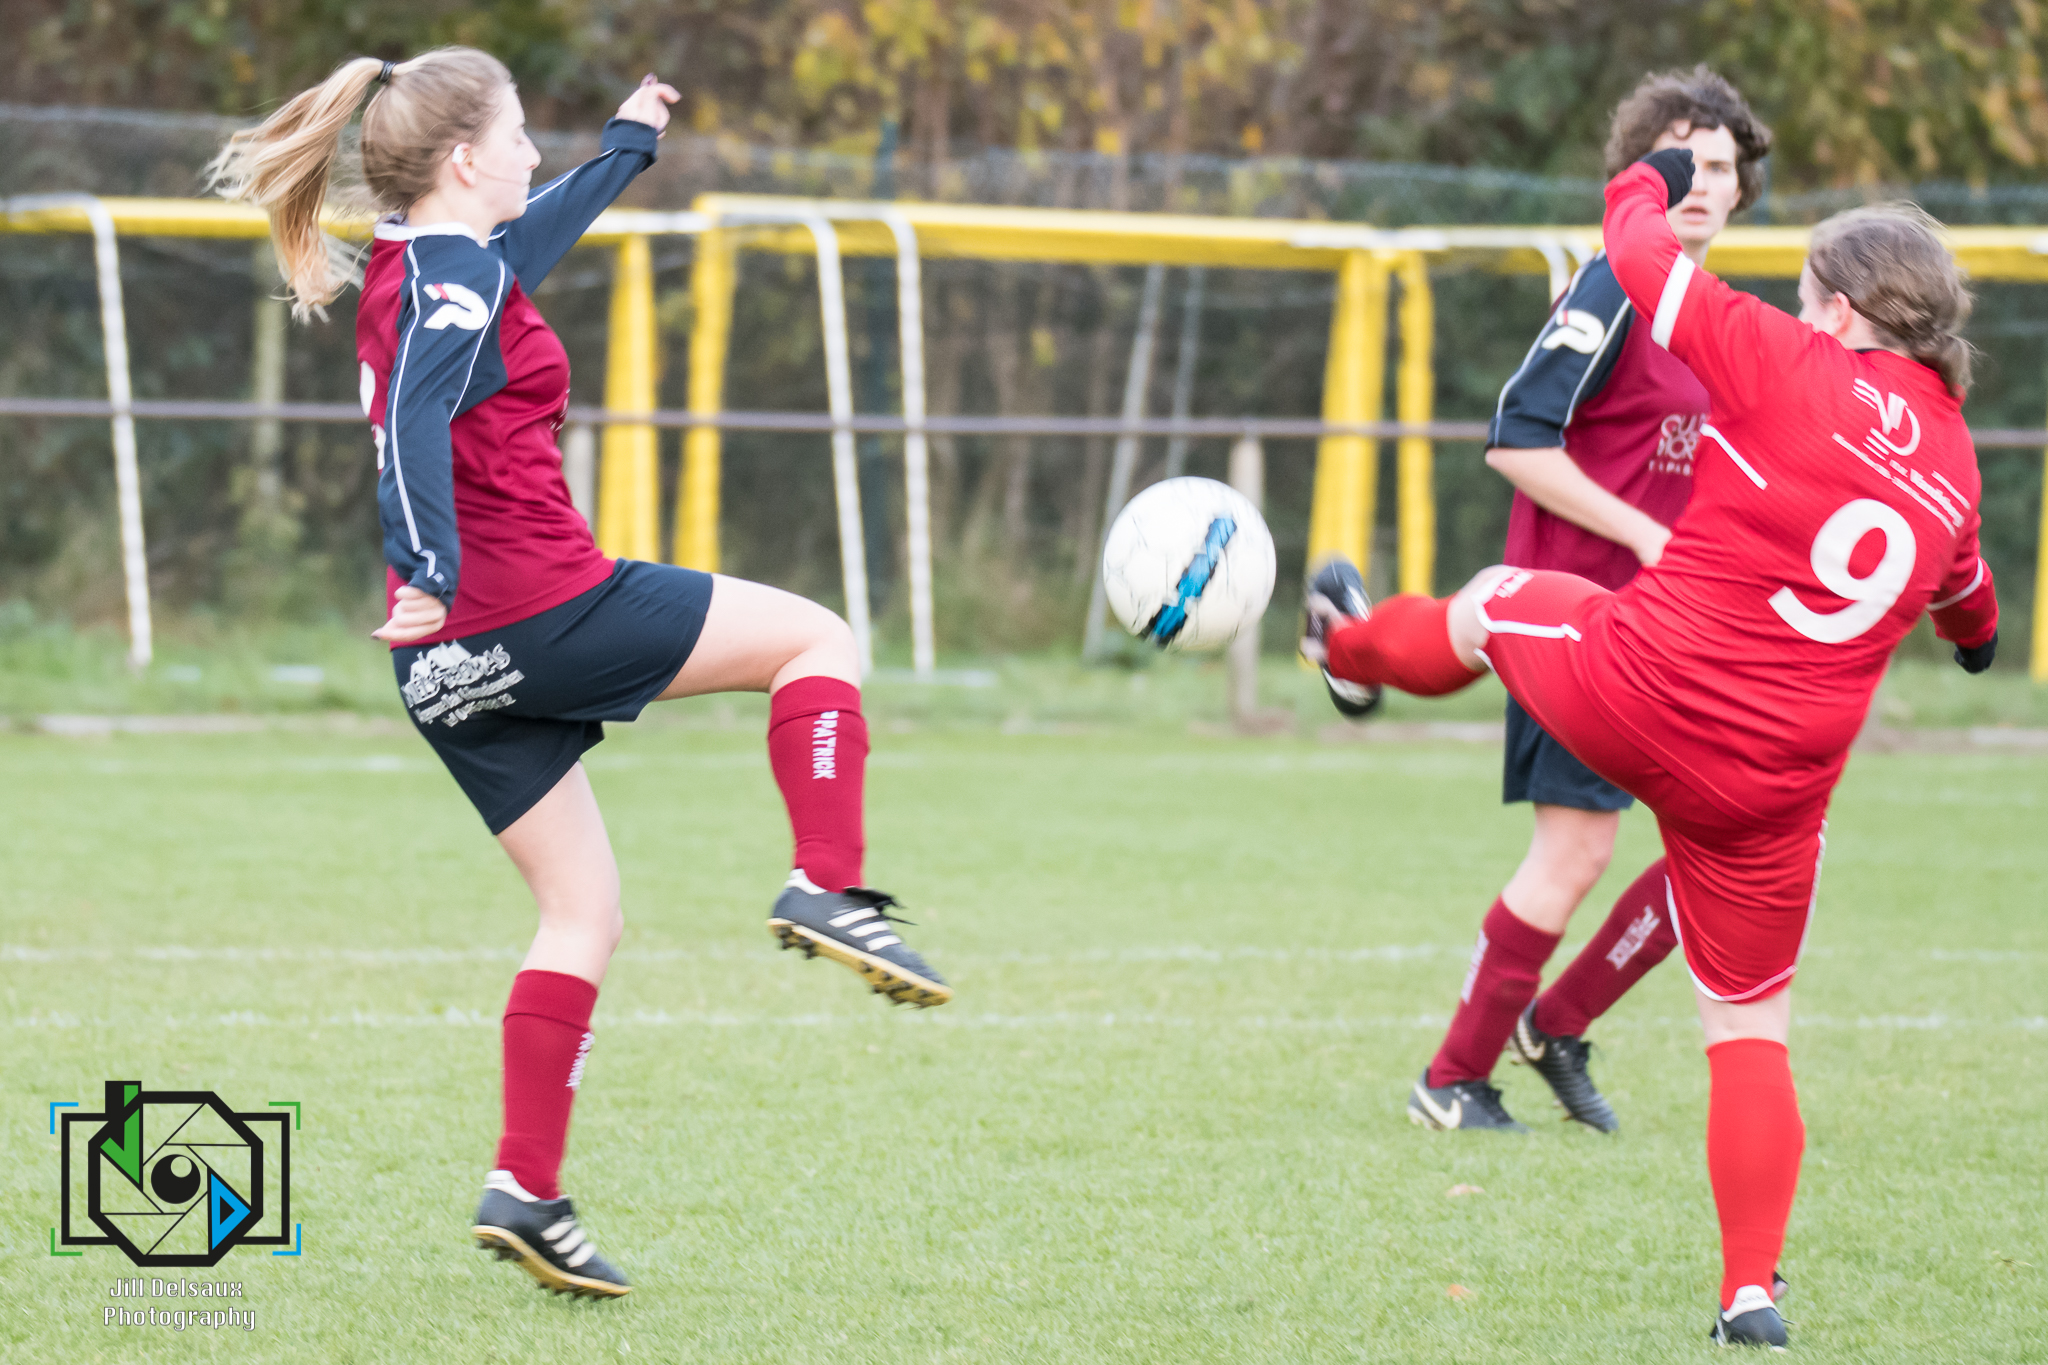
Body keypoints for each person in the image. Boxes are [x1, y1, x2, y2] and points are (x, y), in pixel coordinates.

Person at [209, 48, 951, 1301]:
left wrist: (624, 149)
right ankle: (827, 885)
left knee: (582, 915)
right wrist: (426, 565)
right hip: (536, 610)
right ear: (463, 160)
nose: (530, 154)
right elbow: (414, 421)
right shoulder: (451, 282)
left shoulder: (427, 261)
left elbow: (523, 246)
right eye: (517, 136)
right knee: (818, 639)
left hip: (444, 670)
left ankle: (526, 1189)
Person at [1302, 150, 1998, 1348]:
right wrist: (1971, 640)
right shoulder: (1954, 465)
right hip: (1770, 794)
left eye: (1804, 298)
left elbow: (1634, 252)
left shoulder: (1788, 359)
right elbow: (1970, 610)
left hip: (1641, 692)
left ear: (1839, 311)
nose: (1793, 312)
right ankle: (1747, 1294)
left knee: (1492, 600)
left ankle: (1347, 652)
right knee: (1748, 1032)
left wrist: (1648, 171)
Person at [1410, 68, 1773, 1136]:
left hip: (1676, 633)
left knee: (1746, 835)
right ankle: (1451, 1078)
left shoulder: (1713, 316)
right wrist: (1645, 537)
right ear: (1636, 176)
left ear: (1742, 188)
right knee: (1573, 853)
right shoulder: (1612, 284)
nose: (1698, 182)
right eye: (1677, 162)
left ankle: (1558, 1025)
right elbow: (1515, 441)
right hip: (1580, 628)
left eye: (1718, 166)